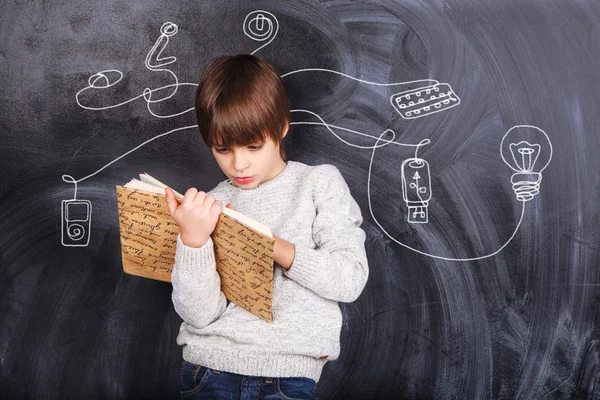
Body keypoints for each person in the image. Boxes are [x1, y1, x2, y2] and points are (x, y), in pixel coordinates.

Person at [164, 54, 369, 400]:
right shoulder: (208, 207)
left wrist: (276, 248)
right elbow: (199, 316)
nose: (239, 163)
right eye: (223, 149)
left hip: (288, 378)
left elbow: (349, 279)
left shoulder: (319, 183)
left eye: (254, 146)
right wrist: (193, 241)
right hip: (208, 371)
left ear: (282, 127)